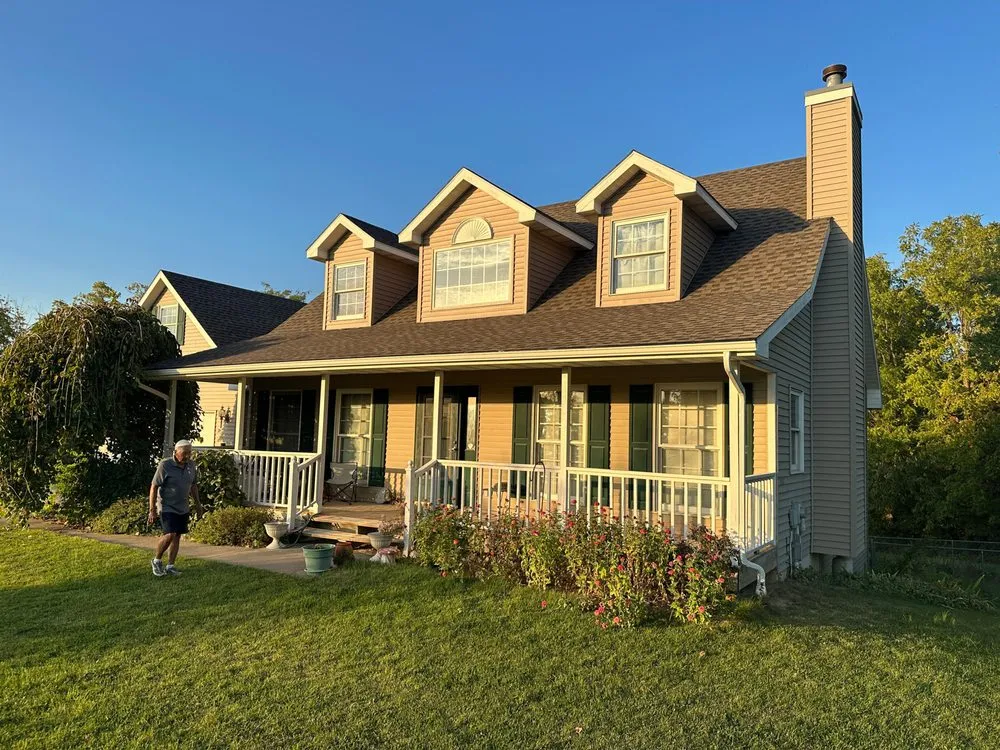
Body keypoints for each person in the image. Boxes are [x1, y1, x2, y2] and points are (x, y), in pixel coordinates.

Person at [148, 439, 204, 577]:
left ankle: (170, 566)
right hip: (167, 506)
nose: (187, 456)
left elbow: (193, 485)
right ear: (176, 452)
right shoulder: (165, 465)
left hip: (182, 506)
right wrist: (152, 510)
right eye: (184, 453)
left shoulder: (191, 465)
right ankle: (157, 560)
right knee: (170, 534)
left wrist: (198, 505)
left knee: (177, 535)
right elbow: (154, 486)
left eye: (189, 453)